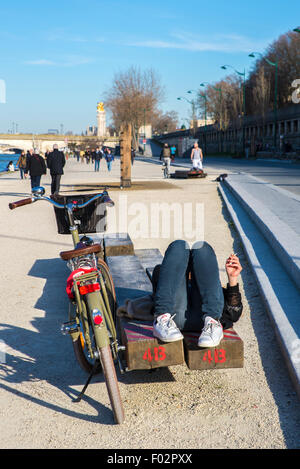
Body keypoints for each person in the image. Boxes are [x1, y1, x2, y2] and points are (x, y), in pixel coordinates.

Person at [152, 240, 243, 347]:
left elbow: (233, 314)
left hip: (205, 321)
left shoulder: (210, 286)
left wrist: (232, 278)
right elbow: (233, 314)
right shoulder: (165, 275)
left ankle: (212, 324)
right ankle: (163, 319)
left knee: (201, 247)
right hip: (173, 319)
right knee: (179, 245)